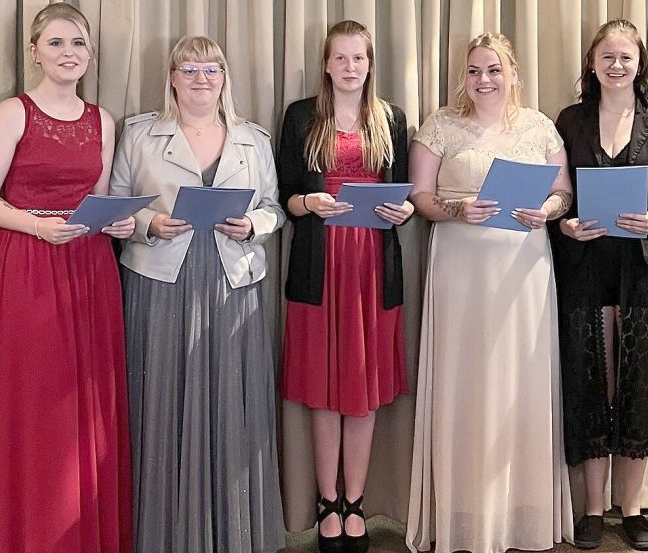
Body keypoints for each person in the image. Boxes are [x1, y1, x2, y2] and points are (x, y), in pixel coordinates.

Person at [109, 35, 285, 553]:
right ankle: (162, 534)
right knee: (161, 403)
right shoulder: (140, 134)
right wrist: (149, 224)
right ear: (172, 77)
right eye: (189, 70)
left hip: (234, 284)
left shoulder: (253, 138)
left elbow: (273, 205)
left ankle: (231, 532)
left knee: (231, 403)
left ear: (224, 78)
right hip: (161, 282)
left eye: (211, 70)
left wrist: (253, 223)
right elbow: (116, 204)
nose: (200, 80)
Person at [0, 4, 133, 552]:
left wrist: (120, 220)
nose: (69, 54)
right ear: (34, 50)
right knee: (41, 407)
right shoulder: (13, 113)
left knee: (88, 409)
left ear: (90, 54)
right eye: (57, 43)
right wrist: (39, 228)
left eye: (78, 44)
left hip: (91, 271)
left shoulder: (102, 120)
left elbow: (98, 200)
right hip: (32, 271)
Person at [405, 32, 575, 553]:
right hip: (461, 268)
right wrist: (458, 208)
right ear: (465, 75)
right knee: (466, 381)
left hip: (523, 269)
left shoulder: (540, 126)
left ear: (513, 73)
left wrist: (546, 211)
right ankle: (464, 516)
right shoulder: (440, 125)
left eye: (494, 70)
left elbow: (563, 193)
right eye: (476, 70)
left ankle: (522, 514)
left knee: (520, 384)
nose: (484, 79)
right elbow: (420, 196)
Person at [551, 19, 648, 551]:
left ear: (639, 63)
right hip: (587, 269)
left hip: (646, 272)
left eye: (625, 57)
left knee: (639, 386)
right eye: (606, 57)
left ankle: (633, 510)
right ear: (591, 64)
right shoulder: (569, 120)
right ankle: (593, 510)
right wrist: (564, 223)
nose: (616, 65)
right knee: (595, 386)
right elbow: (558, 195)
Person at [277, 20, 411, 553]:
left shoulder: (392, 119)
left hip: (373, 268)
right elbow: (286, 195)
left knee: (363, 393)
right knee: (323, 391)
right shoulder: (300, 116)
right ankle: (326, 501)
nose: (350, 67)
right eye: (340, 58)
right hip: (319, 265)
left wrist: (399, 210)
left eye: (359, 58)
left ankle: (355, 501)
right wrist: (308, 203)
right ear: (326, 64)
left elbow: (404, 195)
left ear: (369, 64)